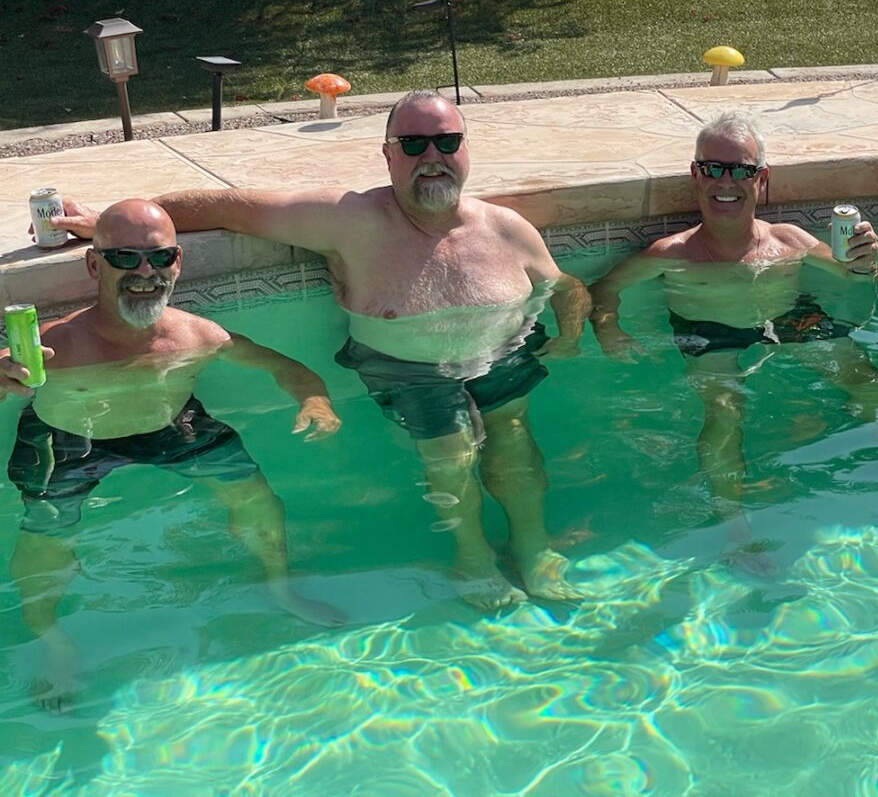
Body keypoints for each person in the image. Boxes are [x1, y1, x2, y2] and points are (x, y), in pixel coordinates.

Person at [50, 91, 589, 611]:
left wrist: (576, 328)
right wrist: (109, 229)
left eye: (446, 143)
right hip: (409, 369)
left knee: (514, 445)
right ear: (387, 154)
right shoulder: (347, 219)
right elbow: (227, 206)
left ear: (465, 148)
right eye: (413, 145)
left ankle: (533, 546)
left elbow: (564, 286)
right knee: (451, 457)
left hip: (501, 354)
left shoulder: (505, 228)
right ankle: (473, 557)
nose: (432, 157)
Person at [0, 200, 344, 714]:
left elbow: (290, 370)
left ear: (177, 262)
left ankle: (280, 587)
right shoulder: (57, 346)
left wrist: (315, 401)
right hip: (70, 439)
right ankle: (55, 645)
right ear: (95, 265)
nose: (145, 273)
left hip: (170, 424)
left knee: (255, 495)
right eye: (125, 258)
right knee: (46, 536)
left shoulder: (197, 336)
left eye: (159, 259)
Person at [589, 110, 878, 572]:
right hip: (711, 335)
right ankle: (735, 530)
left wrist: (865, 260)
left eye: (742, 170)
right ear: (696, 177)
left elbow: (856, 272)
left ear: (762, 181)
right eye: (714, 168)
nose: (727, 181)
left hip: (791, 321)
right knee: (722, 411)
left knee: (864, 377)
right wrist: (608, 328)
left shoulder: (789, 240)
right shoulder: (671, 255)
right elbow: (603, 290)